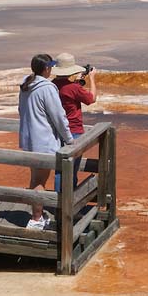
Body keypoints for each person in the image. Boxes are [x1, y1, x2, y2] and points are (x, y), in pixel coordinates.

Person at [18, 54, 73, 230]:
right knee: (41, 181)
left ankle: (37, 215)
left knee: (35, 179)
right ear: (47, 69)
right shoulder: (47, 88)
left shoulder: (26, 84)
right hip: (43, 141)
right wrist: (69, 139)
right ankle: (35, 220)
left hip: (29, 139)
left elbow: (21, 110)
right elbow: (58, 116)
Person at [52, 53, 97, 192]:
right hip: (73, 130)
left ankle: (59, 202)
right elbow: (91, 99)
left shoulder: (52, 85)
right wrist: (92, 79)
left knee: (60, 168)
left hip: (56, 130)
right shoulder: (73, 88)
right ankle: (67, 203)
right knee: (71, 169)